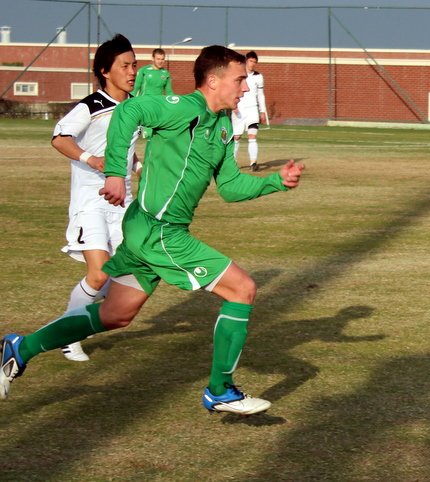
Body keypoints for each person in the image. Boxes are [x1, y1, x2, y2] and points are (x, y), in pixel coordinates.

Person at [1, 45, 305, 416]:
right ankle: (220, 389)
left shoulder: (224, 127)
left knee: (115, 315)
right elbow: (129, 110)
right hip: (159, 231)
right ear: (213, 81)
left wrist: (276, 181)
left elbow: (230, 187)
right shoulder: (181, 108)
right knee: (242, 289)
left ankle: (20, 348)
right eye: (239, 79)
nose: (245, 87)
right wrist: (115, 171)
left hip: (149, 230)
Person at [50, 33, 139, 362]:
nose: (132, 71)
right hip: (91, 203)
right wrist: (91, 159)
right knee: (99, 273)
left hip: (123, 205)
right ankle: (67, 335)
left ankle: (69, 323)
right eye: (125, 65)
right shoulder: (91, 105)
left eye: (134, 65)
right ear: (105, 70)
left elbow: (126, 150)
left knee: (121, 277)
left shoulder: (133, 107)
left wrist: (140, 164)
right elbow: (60, 138)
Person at [232, 50, 268, 171]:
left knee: (252, 136)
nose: (252, 63)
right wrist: (234, 106)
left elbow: (260, 95)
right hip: (239, 110)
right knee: (236, 137)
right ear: (246, 61)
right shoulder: (238, 74)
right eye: (251, 61)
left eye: (255, 62)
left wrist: (262, 111)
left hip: (253, 109)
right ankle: (232, 163)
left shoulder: (258, 77)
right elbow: (232, 90)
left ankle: (253, 163)